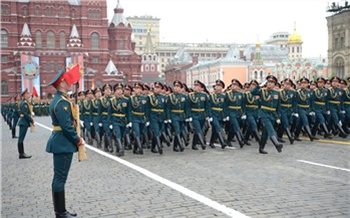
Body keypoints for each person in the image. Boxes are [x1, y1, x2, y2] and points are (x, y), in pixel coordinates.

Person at [46, 68, 83, 218]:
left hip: (61, 141)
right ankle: (60, 212)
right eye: (67, 80)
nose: (69, 82)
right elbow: (67, 127)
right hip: (63, 142)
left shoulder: (61, 100)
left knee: (59, 178)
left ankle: (61, 211)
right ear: (61, 84)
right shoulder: (62, 102)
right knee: (60, 178)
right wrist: (78, 140)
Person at [250, 75, 283, 154]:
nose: (270, 84)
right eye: (268, 82)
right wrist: (259, 86)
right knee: (270, 129)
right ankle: (277, 144)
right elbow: (252, 92)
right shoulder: (262, 91)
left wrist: (278, 117)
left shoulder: (277, 93)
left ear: (275, 84)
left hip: (272, 114)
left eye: (272, 82)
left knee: (266, 132)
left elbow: (278, 106)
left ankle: (261, 148)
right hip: (264, 113)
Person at [17, 88, 34, 159]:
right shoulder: (24, 103)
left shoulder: (25, 102)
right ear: (24, 95)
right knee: (21, 138)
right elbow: (25, 114)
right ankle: (21, 154)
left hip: (23, 122)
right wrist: (31, 120)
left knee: (21, 138)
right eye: (27, 93)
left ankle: (22, 153)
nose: (29, 94)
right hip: (24, 122)